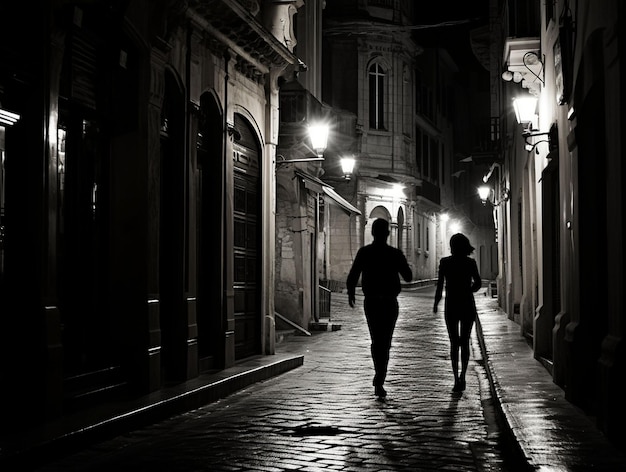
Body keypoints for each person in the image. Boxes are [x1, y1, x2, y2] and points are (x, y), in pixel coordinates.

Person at [347, 218, 413, 398]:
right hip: (390, 302)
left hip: (372, 302)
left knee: (376, 340)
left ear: (373, 233)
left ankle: (379, 375)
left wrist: (351, 293)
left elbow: (353, 274)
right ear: (388, 233)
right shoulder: (395, 254)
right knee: (386, 341)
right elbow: (408, 277)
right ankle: (380, 377)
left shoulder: (364, 252)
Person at [433, 233, 482, 392]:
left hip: (452, 305)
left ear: (452, 246)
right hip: (467, 304)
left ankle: (456, 379)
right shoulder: (470, 262)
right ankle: (463, 375)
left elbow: (440, 285)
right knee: (465, 341)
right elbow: (478, 283)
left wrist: (436, 303)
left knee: (454, 343)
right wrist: (468, 291)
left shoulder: (445, 262)